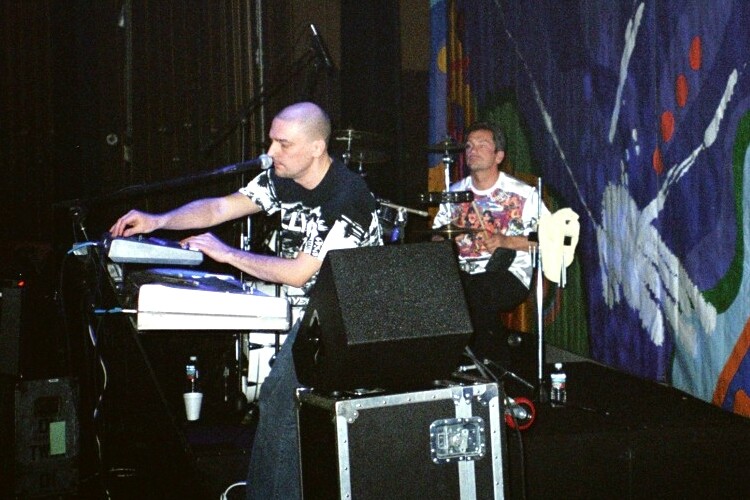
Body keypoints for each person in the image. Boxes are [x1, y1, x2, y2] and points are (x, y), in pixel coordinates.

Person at [109, 101, 383, 499]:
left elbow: (298, 273)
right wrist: (159, 221)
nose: (271, 152)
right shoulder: (282, 177)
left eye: (283, 144)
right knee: (276, 398)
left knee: (284, 402)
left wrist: (227, 254)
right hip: (315, 314)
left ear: (316, 148)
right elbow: (221, 207)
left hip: (351, 319)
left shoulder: (346, 197)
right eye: (271, 140)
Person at [432, 121, 550, 367]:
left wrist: (507, 241)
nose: (472, 150)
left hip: (509, 273)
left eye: (482, 144)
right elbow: (437, 238)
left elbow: (551, 241)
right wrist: (447, 239)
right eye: (469, 145)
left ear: (499, 156)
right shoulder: (455, 193)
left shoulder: (523, 195)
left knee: (475, 290)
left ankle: (493, 365)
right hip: (463, 273)